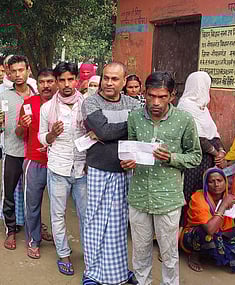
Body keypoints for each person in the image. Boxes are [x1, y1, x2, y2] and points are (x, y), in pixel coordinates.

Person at [122, 71, 202, 285]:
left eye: (162, 97)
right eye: (151, 96)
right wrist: (128, 162)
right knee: (140, 251)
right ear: (144, 94)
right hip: (139, 196)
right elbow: (131, 148)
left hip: (168, 199)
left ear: (172, 96)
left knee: (168, 254)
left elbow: (196, 156)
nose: (156, 102)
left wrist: (171, 157)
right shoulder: (135, 117)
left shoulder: (184, 119)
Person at [81, 62, 140, 285]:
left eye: (115, 79)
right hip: (99, 170)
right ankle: (93, 273)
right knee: (95, 221)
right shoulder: (91, 102)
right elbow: (103, 130)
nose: (108, 83)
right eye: (106, 77)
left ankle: (118, 273)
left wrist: (108, 133)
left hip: (125, 171)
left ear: (124, 82)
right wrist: (130, 124)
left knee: (118, 225)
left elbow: (116, 133)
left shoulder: (132, 103)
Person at [38, 62, 87, 276]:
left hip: (83, 168)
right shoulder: (48, 108)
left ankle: (90, 253)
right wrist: (51, 135)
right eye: (62, 80)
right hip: (58, 167)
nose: (67, 84)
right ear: (57, 82)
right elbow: (41, 136)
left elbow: (95, 133)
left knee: (86, 215)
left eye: (70, 79)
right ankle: (63, 254)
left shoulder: (87, 104)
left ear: (76, 80)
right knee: (58, 214)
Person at [0, 55, 37, 250]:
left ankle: (34, 228)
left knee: (34, 195)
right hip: (12, 150)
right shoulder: (3, 96)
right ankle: (10, 230)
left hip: (34, 153)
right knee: (9, 192)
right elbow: (0, 125)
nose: (18, 74)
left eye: (21, 70)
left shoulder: (37, 94)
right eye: (14, 71)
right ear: (9, 74)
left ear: (28, 70)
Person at [15, 67, 57, 259]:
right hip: (34, 161)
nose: (46, 86)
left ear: (55, 82)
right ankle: (34, 240)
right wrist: (22, 126)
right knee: (32, 204)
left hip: (59, 163)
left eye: (50, 82)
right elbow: (18, 134)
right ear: (37, 84)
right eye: (42, 82)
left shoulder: (63, 104)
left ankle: (59, 239)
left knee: (59, 206)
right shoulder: (29, 103)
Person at [181, 168, 235, 272]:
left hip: (220, 234)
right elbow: (210, 229)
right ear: (206, 184)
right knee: (205, 233)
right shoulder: (199, 198)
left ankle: (225, 255)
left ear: (225, 182)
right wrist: (223, 205)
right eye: (211, 181)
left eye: (219, 181)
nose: (216, 184)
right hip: (195, 236)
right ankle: (195, 255)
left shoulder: (229, 197)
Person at [178, 71, 226, 202]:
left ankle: (202, 218)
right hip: (194, 160)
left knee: (204, 192)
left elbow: (214, 132)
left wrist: (221, 151)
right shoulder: (185, 106)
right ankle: (188, 221)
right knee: (191, 191)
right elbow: (196, 137)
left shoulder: (203, 108)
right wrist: (216, 154)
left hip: (208, 159)